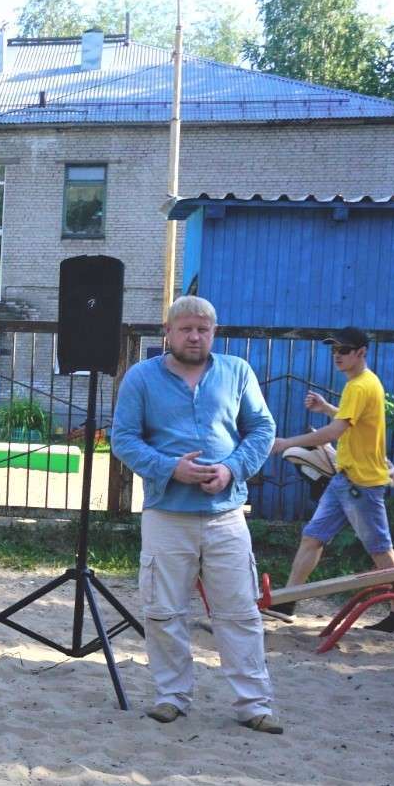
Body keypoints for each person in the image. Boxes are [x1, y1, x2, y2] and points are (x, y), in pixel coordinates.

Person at [112, 295, 282, 734]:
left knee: (240, 612)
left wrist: (231, 469)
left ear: (214, 333)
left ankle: (254, 704)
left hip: (226, 515)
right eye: (185, 329)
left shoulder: (237, 372)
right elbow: (123, 438)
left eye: (202, 330)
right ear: (167, 332)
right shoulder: (141, 377)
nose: (194, 337)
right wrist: (171, 468)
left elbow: (262, 429)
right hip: (167, 514)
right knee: (164, 611)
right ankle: (172, 697)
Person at [269, 327, 394, 633]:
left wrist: (286, 443)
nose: (337, 356)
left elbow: (336, 431)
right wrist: (326, 408)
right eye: (334, 350)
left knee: (379, 548)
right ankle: (287, 601)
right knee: (313, 537)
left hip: (362, 483)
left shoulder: (360, 386)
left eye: (344, 350)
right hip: (344, 479)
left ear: (361, 353)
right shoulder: (361, 384)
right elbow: (353, 421)